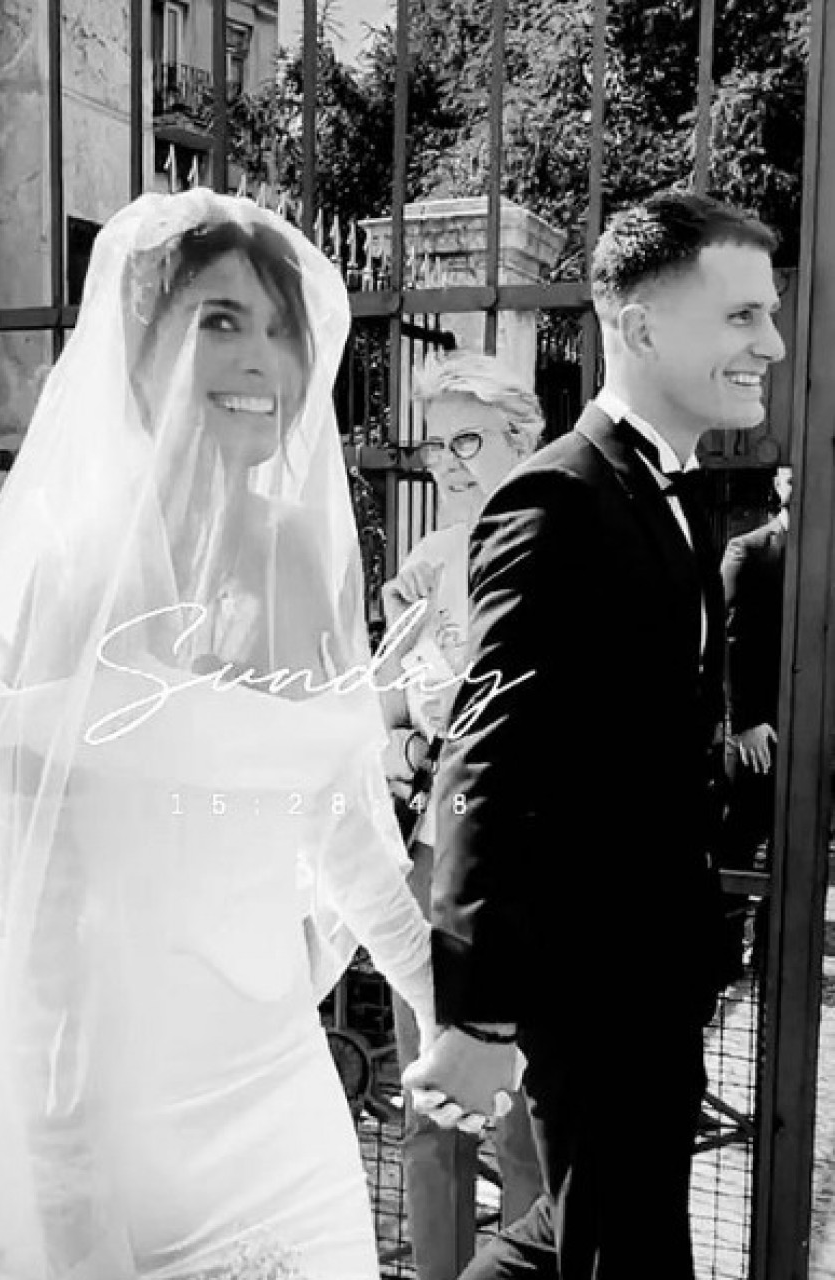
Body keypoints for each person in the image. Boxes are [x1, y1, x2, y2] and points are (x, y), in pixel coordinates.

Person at [0, 190, 437, 1280]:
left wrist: (445, 1001)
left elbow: (336, 829)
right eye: (220, 319)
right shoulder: (79, 578)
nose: (261, 357)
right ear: (139, 350)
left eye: (280, 328)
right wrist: (73, 1206)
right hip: (125, 1124)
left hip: (281, 1100)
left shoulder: (297, 561)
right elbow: (37, 926)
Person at [403, 191, 786, 1279]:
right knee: (615, 1242)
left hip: (657, 959)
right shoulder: (557, 499)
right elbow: (488, 758)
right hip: (591, 973)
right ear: (645, 327)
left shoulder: (673, 494)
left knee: (589, 1233)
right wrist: (480, 1019)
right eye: (743, 315)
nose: (771, 343)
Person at [378, 351, 545, 1280]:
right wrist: (410, 730)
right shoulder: (429, 562)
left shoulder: (563, 544)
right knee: (429, 1107)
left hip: (527, 870)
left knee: (525, 1122)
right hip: (431, 862)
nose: (446, 461)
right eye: (435, 445)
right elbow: (384, 710)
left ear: (524, 437)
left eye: (467, 440)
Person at [720, 464, 792, 975]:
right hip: (759, 734)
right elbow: (726, 640)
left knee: (797, 853)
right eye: (790, 475)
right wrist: (745, 720)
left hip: (811, 732)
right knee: (741, 843)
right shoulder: (748, 549)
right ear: (777, 484)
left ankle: (774, 957)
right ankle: (725, 956)